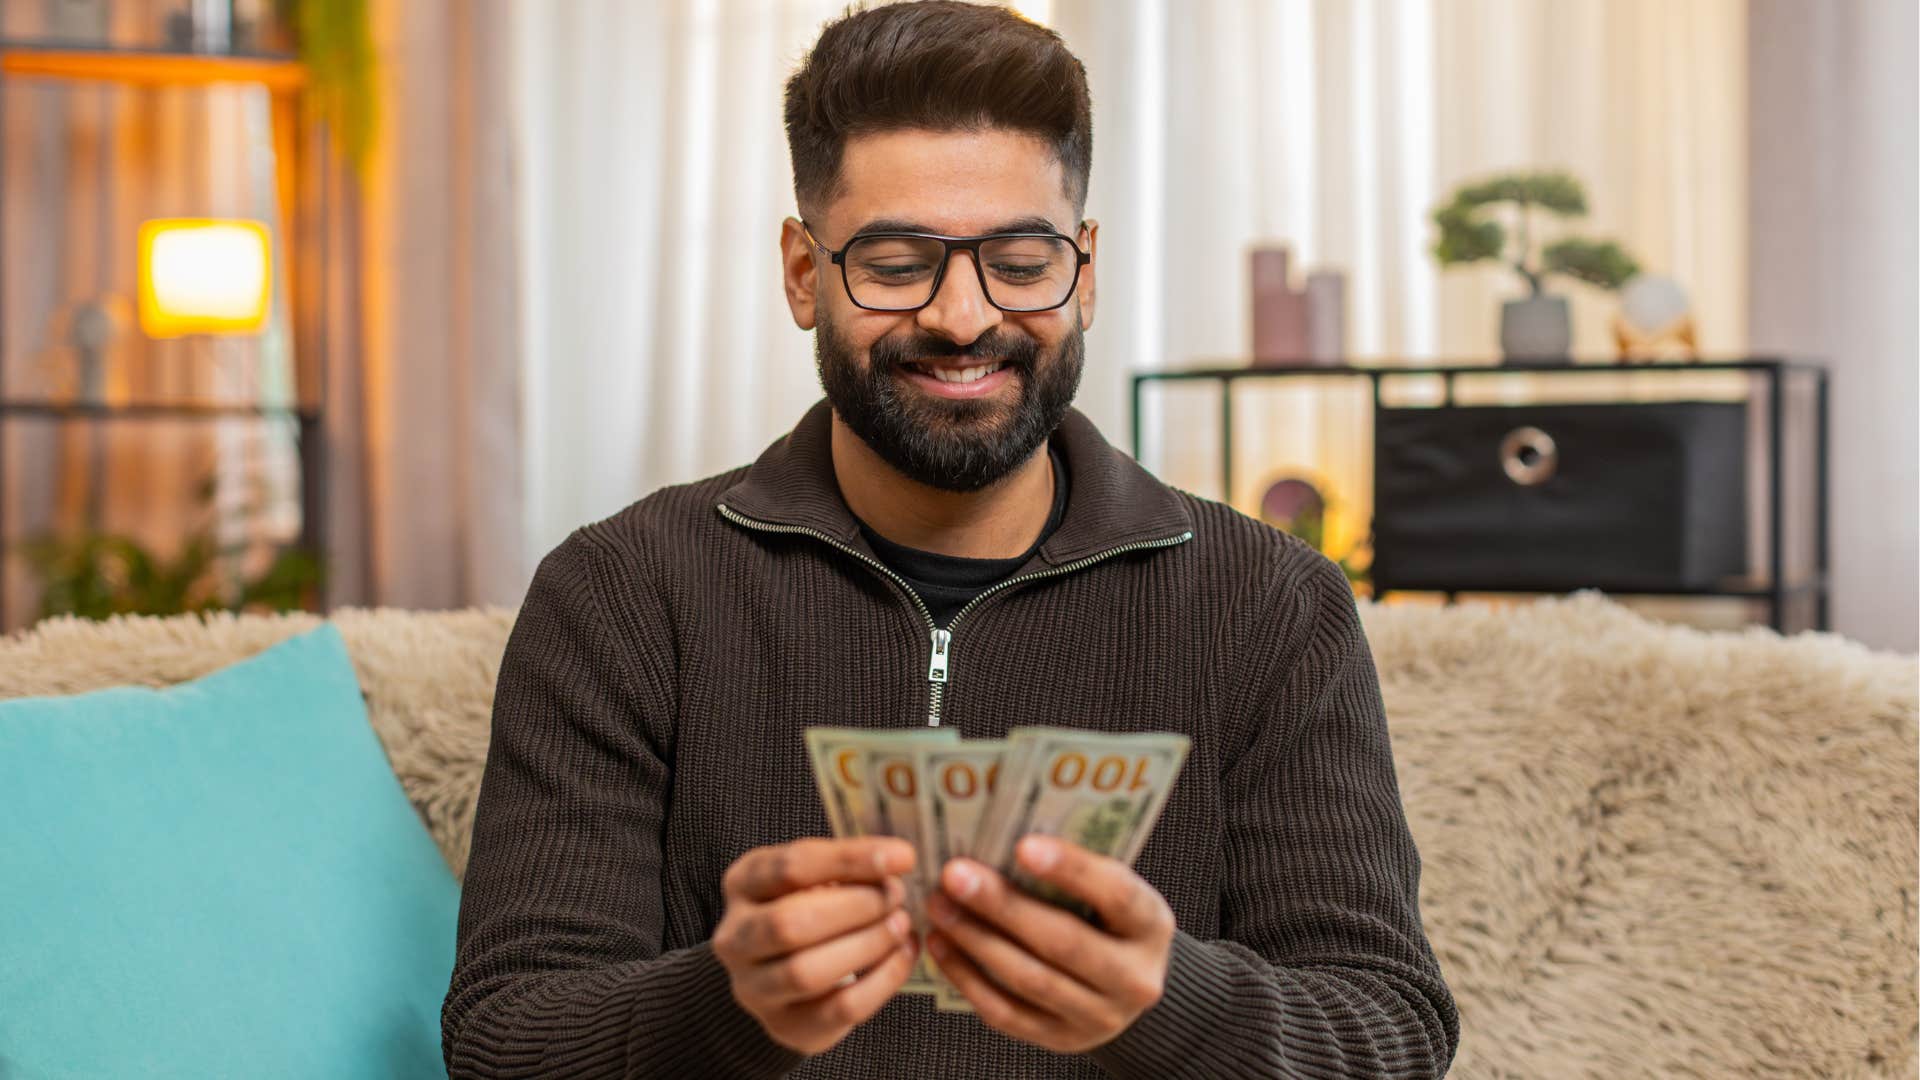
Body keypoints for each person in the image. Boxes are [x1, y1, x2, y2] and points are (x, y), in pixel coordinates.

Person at [441, 2, 1459, 1076]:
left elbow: (1389, 1034)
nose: (965, 317)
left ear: (1087, 270)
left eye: (1021, 262)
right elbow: (507, 1041)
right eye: (893, 261)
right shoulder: (623, 596)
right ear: (803, 273)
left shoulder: (1270, 605)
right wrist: (730, 1002)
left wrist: (1170, 1005)